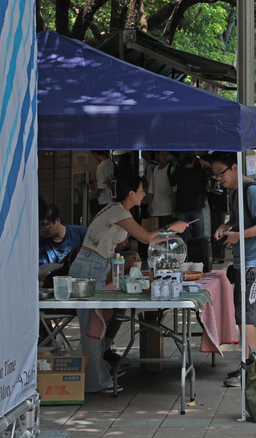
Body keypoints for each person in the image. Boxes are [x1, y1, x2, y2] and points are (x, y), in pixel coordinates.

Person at [70, 173, 187, 393]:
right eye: (142, 190)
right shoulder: (118, 211)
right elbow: (146, 238)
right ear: (131, 193)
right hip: (90, 269)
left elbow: (116, 243)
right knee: (91, 327)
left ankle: (99, 368)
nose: (144, 194)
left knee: (100, 320)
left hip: (97, 266)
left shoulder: (119, 212)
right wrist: (172, 228)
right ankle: (95, 381)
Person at [211, 152, 256, 387]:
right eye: (215, 175)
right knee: (248, 317)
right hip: (242, 262)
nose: (219, 178)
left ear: (235, 167)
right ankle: (255, 365)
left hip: (254, 263)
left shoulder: (251, 191)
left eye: (221, 172)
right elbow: (241, 220)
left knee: (245, 317)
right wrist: (226, 225)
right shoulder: (236, 192)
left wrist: (238, 235)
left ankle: (249, 368)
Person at [169, 153, 208, 243]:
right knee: (199, 235)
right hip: (197, 206)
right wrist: (206, 164)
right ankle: (199, 251)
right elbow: (206, 180)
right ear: (194, 159)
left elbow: (172, 182)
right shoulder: (199, 172)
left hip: (182, 207)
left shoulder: (179, 171)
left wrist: (176, 167)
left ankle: (185, 251)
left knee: (184, 235)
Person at [147, 151, 175, 229]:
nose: (164, 157)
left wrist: (174, 205)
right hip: (155, 207)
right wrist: (150, 204)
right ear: (158, 155)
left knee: (166, 232)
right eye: (162, 154)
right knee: (156, 231)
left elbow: (174, 190)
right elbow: (152, 189)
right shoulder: (154, 170)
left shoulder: (171, 169)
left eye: (167, 154)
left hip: (167, 208)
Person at [91, 151, 116, 216]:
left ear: (95, 154)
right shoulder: (111, 163)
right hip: (111, 198)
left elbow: (101, 186)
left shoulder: (101, 167)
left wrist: (96, 195)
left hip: (103, 199)